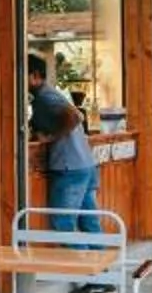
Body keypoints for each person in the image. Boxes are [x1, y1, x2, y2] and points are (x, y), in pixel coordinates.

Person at [26, 53, 98, 235]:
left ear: (34, 75)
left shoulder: (45, 97)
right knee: (89, 224)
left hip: (69, 168)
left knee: (62, 226)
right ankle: (98, 263)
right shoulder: (48, 95)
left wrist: (51, 137)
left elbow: (75, 116)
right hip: (85, 165)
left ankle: (79, 263)